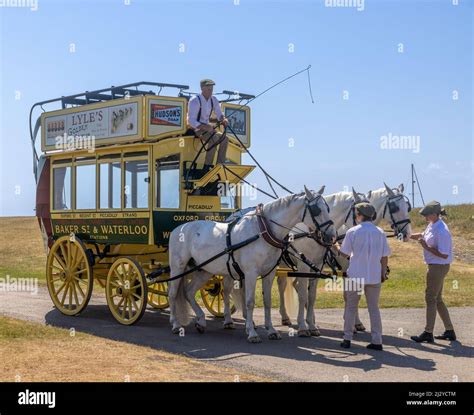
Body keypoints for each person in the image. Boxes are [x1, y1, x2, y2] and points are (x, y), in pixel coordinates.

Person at [334, 202, 391, 351]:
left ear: (359, 215)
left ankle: (347, 339)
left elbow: (345, 254)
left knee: (351, 307)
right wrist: (383, 272)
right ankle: (377, 340)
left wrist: (336, 246)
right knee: (374, 308)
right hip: (374, 275)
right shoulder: (380, 232)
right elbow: (384, 257)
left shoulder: (352, 231)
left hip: (355, 276)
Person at [410, 201, 456, 343]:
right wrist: (407, 235)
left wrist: (426, 246)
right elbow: (422, 234)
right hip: (435, 266)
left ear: (436, 214)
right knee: (437, 299)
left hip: (438, 266)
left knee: (430, 298)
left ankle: (428, 332)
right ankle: (449, 331)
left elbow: (444, 254)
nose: (425, 216)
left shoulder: (442, 230)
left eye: (427, 214)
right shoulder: (433, 225)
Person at [187, 79, 229, 171]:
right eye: (209, 89)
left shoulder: (213, 100)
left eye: (211, 89)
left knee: (225, 138)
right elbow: (191, 121)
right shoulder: (195, 100)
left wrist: (223, 119)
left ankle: (220, 165)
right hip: (197, 129)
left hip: (208, 128)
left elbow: (219, 113)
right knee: (214, 139)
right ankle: (207, 167)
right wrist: (204, 127)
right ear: (202, 88)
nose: (211, 91)